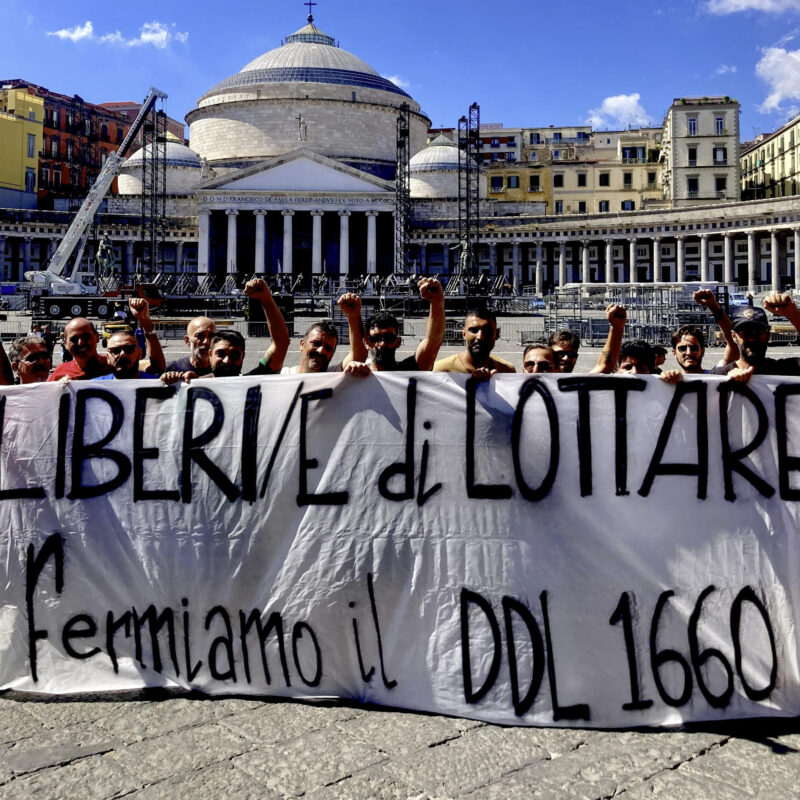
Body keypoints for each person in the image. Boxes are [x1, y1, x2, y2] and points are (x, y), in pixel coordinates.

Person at [709, 294, 800, 380]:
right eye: (744, 333)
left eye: (758, 332)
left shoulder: (785, 370)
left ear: (768, 335)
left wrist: (793, 314)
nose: (752, 338)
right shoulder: (718, 377)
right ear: (734, 336)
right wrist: (725, 384)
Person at [367, 277, 445, 372]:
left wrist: (437, 301)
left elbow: (433, 343)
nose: (383, 344)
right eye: (376, 338)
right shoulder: (356, 374)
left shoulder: (409, 369)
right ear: (367, 342)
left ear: (398, 342)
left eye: (389, 338)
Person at [282, 293, 367, 375]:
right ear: (302, 344)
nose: (321, 350)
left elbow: (358, 356)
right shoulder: (283, 375)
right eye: (316, 343)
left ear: (333, 353)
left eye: (328, 348)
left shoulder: (333, 376)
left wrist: (353, 316)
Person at [434, 302, 512, 376]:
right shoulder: (441, 371)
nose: (480, 337)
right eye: (474, 330)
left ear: (497, 334)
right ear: (464, 333)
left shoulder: (506, 371)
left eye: (487, 331)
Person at [95, 331, 183, 384]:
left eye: (129, 349)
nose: (122, 354)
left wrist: (179, 381)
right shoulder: (94, 386)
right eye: (115, 350)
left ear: (139, 354)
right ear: (107, 357)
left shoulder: (156, 384)